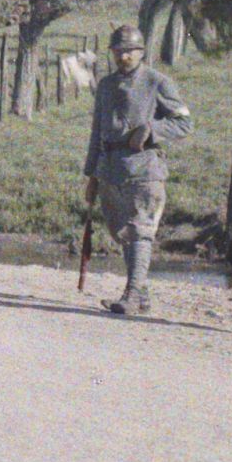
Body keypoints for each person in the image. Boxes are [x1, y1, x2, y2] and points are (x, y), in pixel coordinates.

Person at [83, 24, 193, 315]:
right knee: (122, 231)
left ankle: (132, 295)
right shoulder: (105, 85)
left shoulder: (158, 82)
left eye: (129, 51)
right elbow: (97, 132)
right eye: (118, 51)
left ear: (141, 52)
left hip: (144, 168)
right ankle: (140, 295)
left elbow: (184, 123)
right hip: (110, 169)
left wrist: (151, 129)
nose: (123, 57)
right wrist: (92, 174)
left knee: (140, 230)